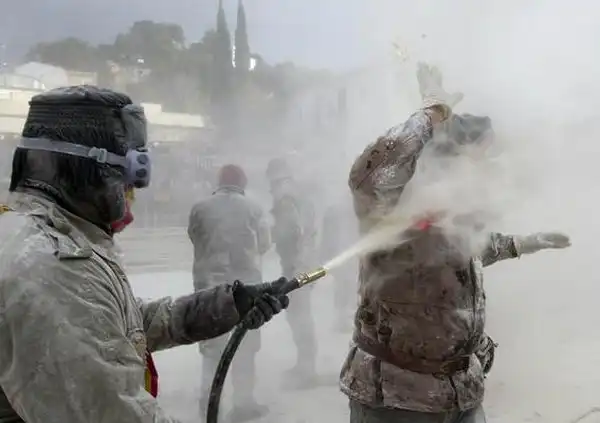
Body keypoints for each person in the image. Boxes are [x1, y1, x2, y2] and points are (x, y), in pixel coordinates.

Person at [0, 86, 289, 423]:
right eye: (128, 173)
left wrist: (228, 304)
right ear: (85, 170)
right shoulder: (53, 267)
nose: (133, 190)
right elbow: (115, 413)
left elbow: (117, 325)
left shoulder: (32, 232)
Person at [341, 63, 571, 423]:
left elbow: (465, 250)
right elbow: (370, 175)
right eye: (476, 157)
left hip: (461, 395)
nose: (482, 168)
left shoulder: (453, 213)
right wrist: (431, 113)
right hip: (399, 402)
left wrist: (520, 244)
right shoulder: (393, 212)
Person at [188, 164, 272, 422]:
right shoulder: (254, 208)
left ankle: (209, 408)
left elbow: (194, 237)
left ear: (219, 182)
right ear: (243, 184)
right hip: (245, 288)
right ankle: (243, 404)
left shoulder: (200, 208)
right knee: (244, 346)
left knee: (212, 350)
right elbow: (265, 244)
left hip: (209, 288)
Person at [266, 157, 320, 389]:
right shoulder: (296, 191)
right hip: (305, 262)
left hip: (298, 264)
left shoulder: (284, 193)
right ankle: (305, 364)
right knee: (300, 313)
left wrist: (272, 235)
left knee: (299, 315)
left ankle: (307, 369)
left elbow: (290, 230)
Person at [320, 192, 359, 332]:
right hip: (345, 255)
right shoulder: (342, 211)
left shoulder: (334, 211)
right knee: (345, 286)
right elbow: (327, 236)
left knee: (346, 286)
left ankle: (345, 318)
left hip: (346, 255)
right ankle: (344, 318)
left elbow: (326, 238)